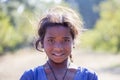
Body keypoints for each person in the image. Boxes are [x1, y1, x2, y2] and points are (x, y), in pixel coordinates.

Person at [20, 6, 98, 80]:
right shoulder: (31, 77)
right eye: (51, 40)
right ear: (42, 42)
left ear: (73, 42)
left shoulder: (88, 77)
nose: (58, 48)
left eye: (65, 40)